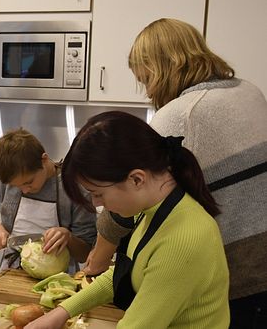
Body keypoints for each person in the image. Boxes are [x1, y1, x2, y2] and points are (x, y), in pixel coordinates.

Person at [83, 18, 267, 328]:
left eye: (145, 80)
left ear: (157, 70)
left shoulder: (181, 115)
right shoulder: (249, 91)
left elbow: (124, 203)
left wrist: (98, 261)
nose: (148, 92)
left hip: (235, 270)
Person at [26, 111, 229, 329]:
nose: (96, 204)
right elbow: (124, 273)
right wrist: (61, 312)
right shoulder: (150, 211)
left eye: (98, 194)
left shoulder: (183, 239)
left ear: (136, 179)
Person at [0, 128, 96, 271]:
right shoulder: (7, 177)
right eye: (16, 186)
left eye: (29, 182)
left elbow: (84, 253)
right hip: (12, 271)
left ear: (44, 160)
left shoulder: (75, 189)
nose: (25, 190)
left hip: (59, 275)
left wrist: (68, 238)